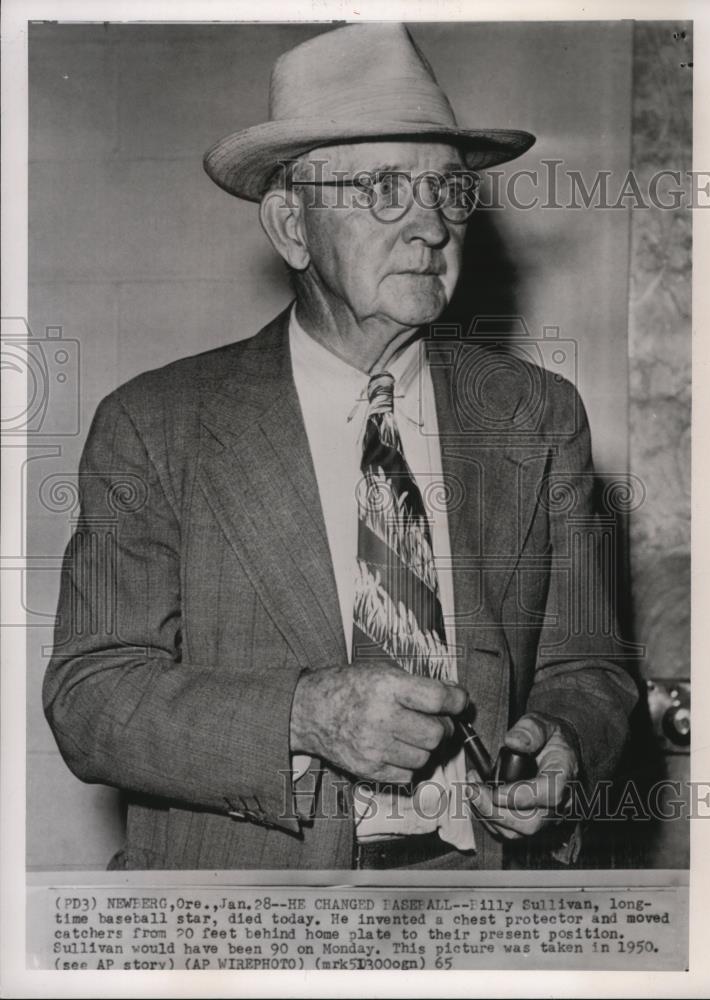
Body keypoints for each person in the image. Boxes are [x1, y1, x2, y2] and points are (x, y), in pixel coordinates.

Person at [43, 23, 637, 871]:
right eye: (385, 187)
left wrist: (565, 740)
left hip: (483, 902)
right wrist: (303, 715)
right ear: (292, 225)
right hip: (248, 918)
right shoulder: (155, 425)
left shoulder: (537, 416)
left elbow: (591, 666)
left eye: (448, 190)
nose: (431, 226)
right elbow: (89, 699)